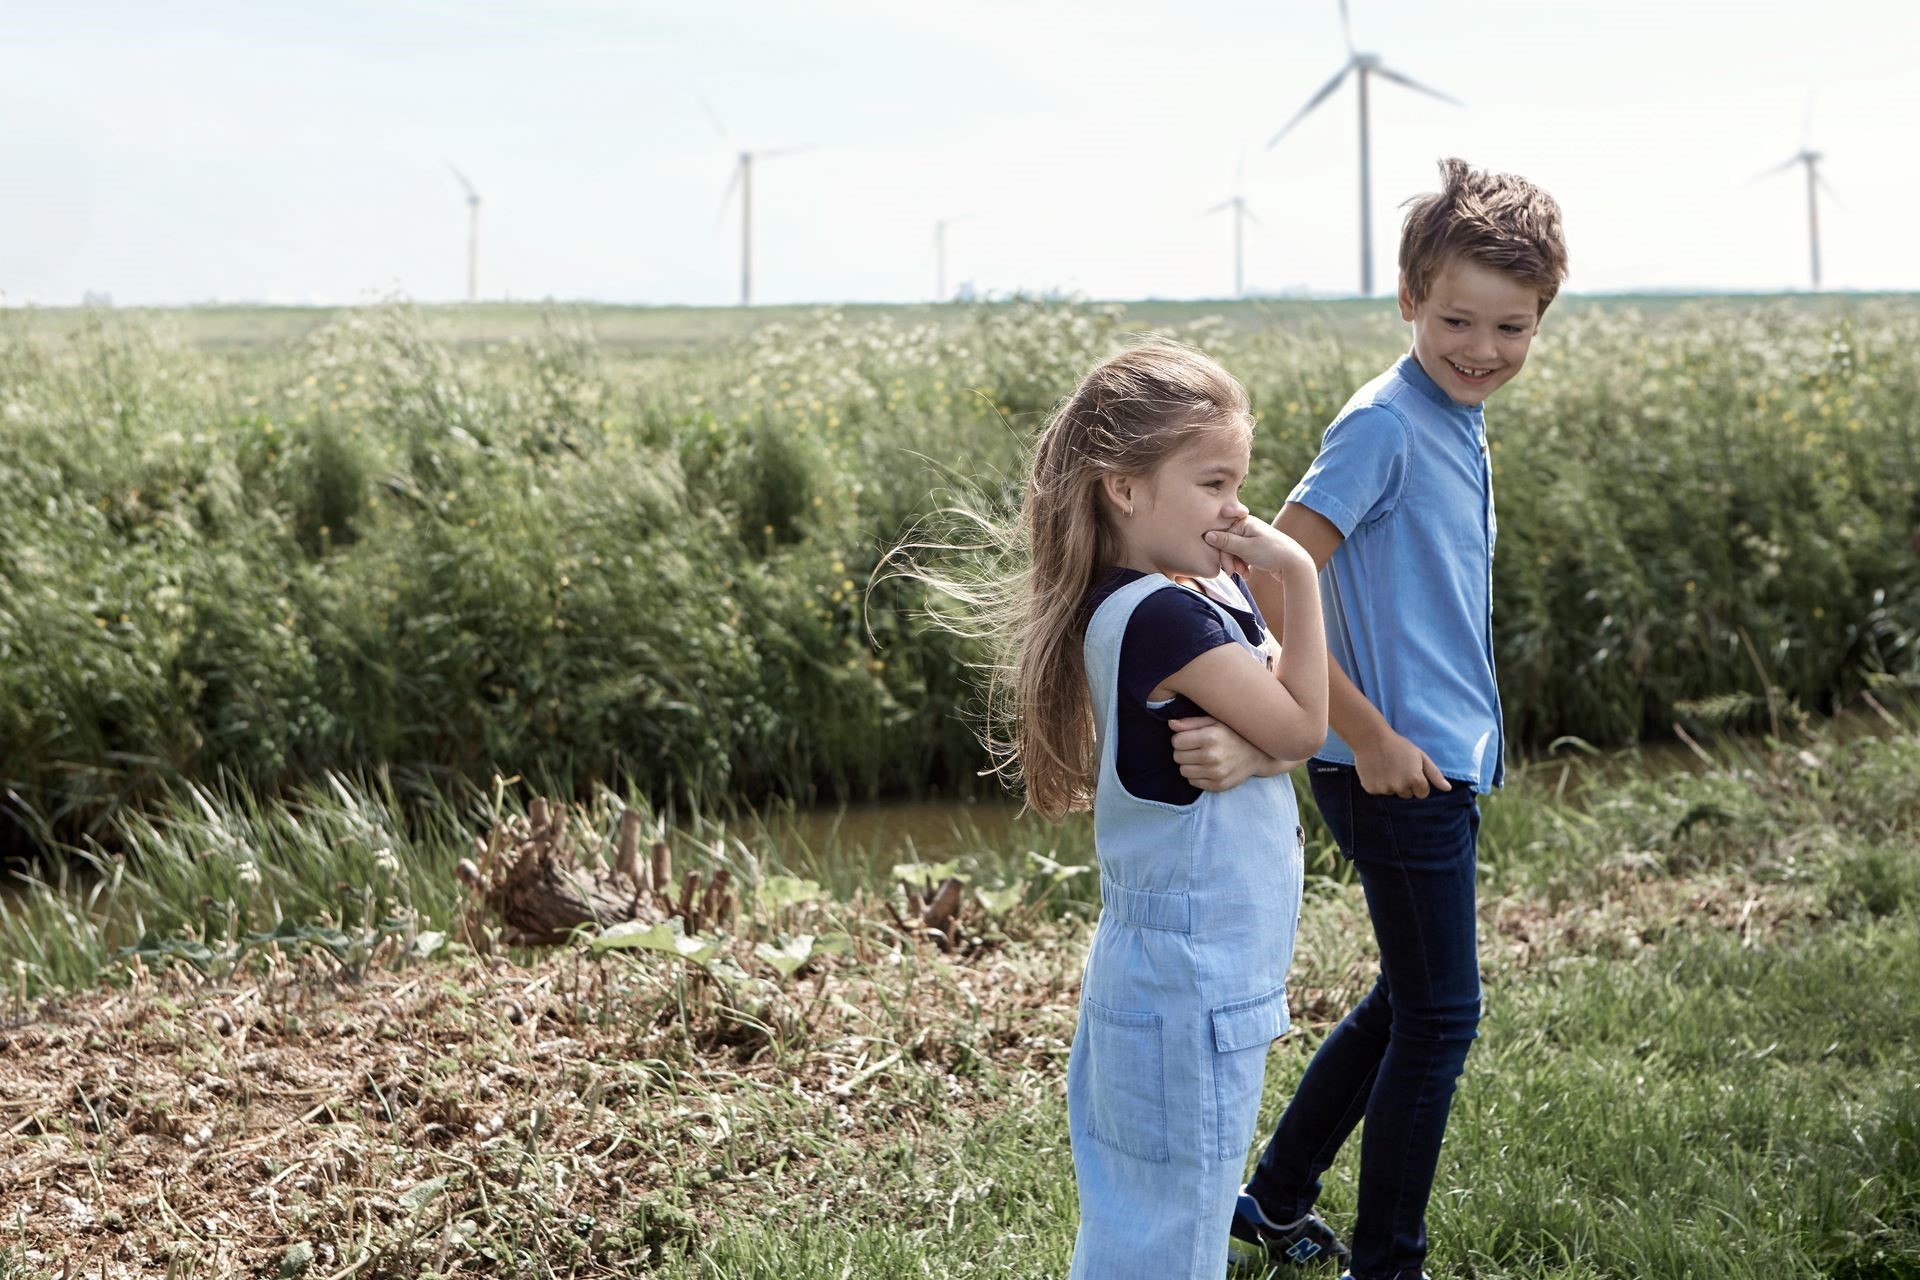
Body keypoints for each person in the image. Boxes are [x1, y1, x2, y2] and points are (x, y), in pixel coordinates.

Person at [1200, 158, 1570, 1280]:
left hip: (1430, 756)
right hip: (1390, 763)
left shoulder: (1451, 415)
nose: (1482, 348)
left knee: (1409, 996)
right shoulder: (1385, 423)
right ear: (1410, 294)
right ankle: (1389, 1261)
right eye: (1457, 317)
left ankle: (1273, 1195)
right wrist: (1360, 731)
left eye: (1513, 326)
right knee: (1442, 1017)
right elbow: (1272, 574)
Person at [988, 339, 1329, 1278]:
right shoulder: (1164, 616)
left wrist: (1252, 749)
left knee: (1144, 1223)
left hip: (1170, 973)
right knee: (1173, 1243)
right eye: (1215, 482)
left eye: (1240, 481)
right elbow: (1306, 725)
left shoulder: (1189, 590)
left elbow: (1277, 723)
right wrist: (1298, 575)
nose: (1238, 509)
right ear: (1124, 488)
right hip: (1190, 984)